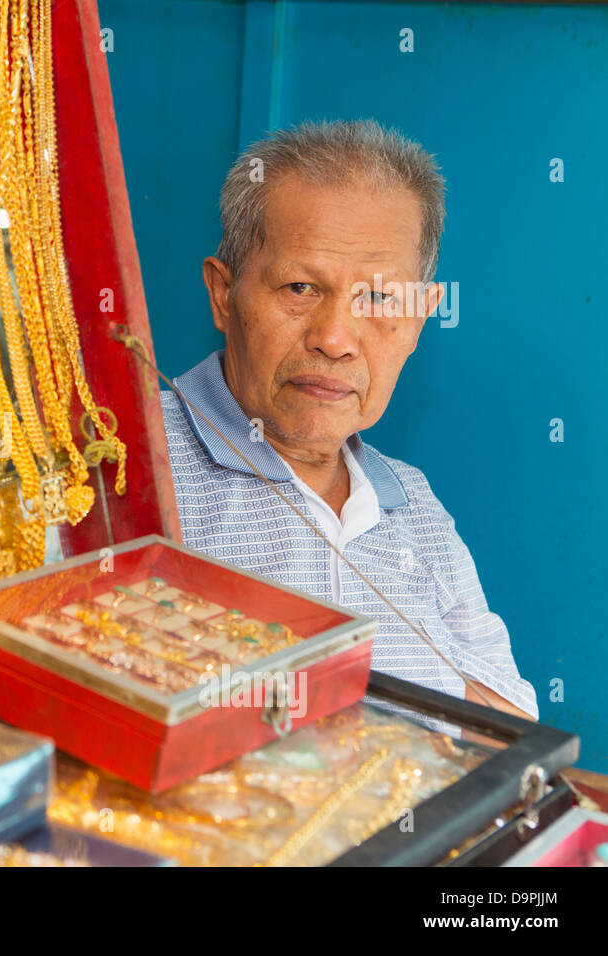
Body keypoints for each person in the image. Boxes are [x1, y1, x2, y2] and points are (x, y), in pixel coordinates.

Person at [162, 119, 536, 718]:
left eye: (380, 299)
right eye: (301, 287)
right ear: (222, 294)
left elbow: (506, 727)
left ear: (418, 320)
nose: (334, 338)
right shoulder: (129, 460)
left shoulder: (416, 505)